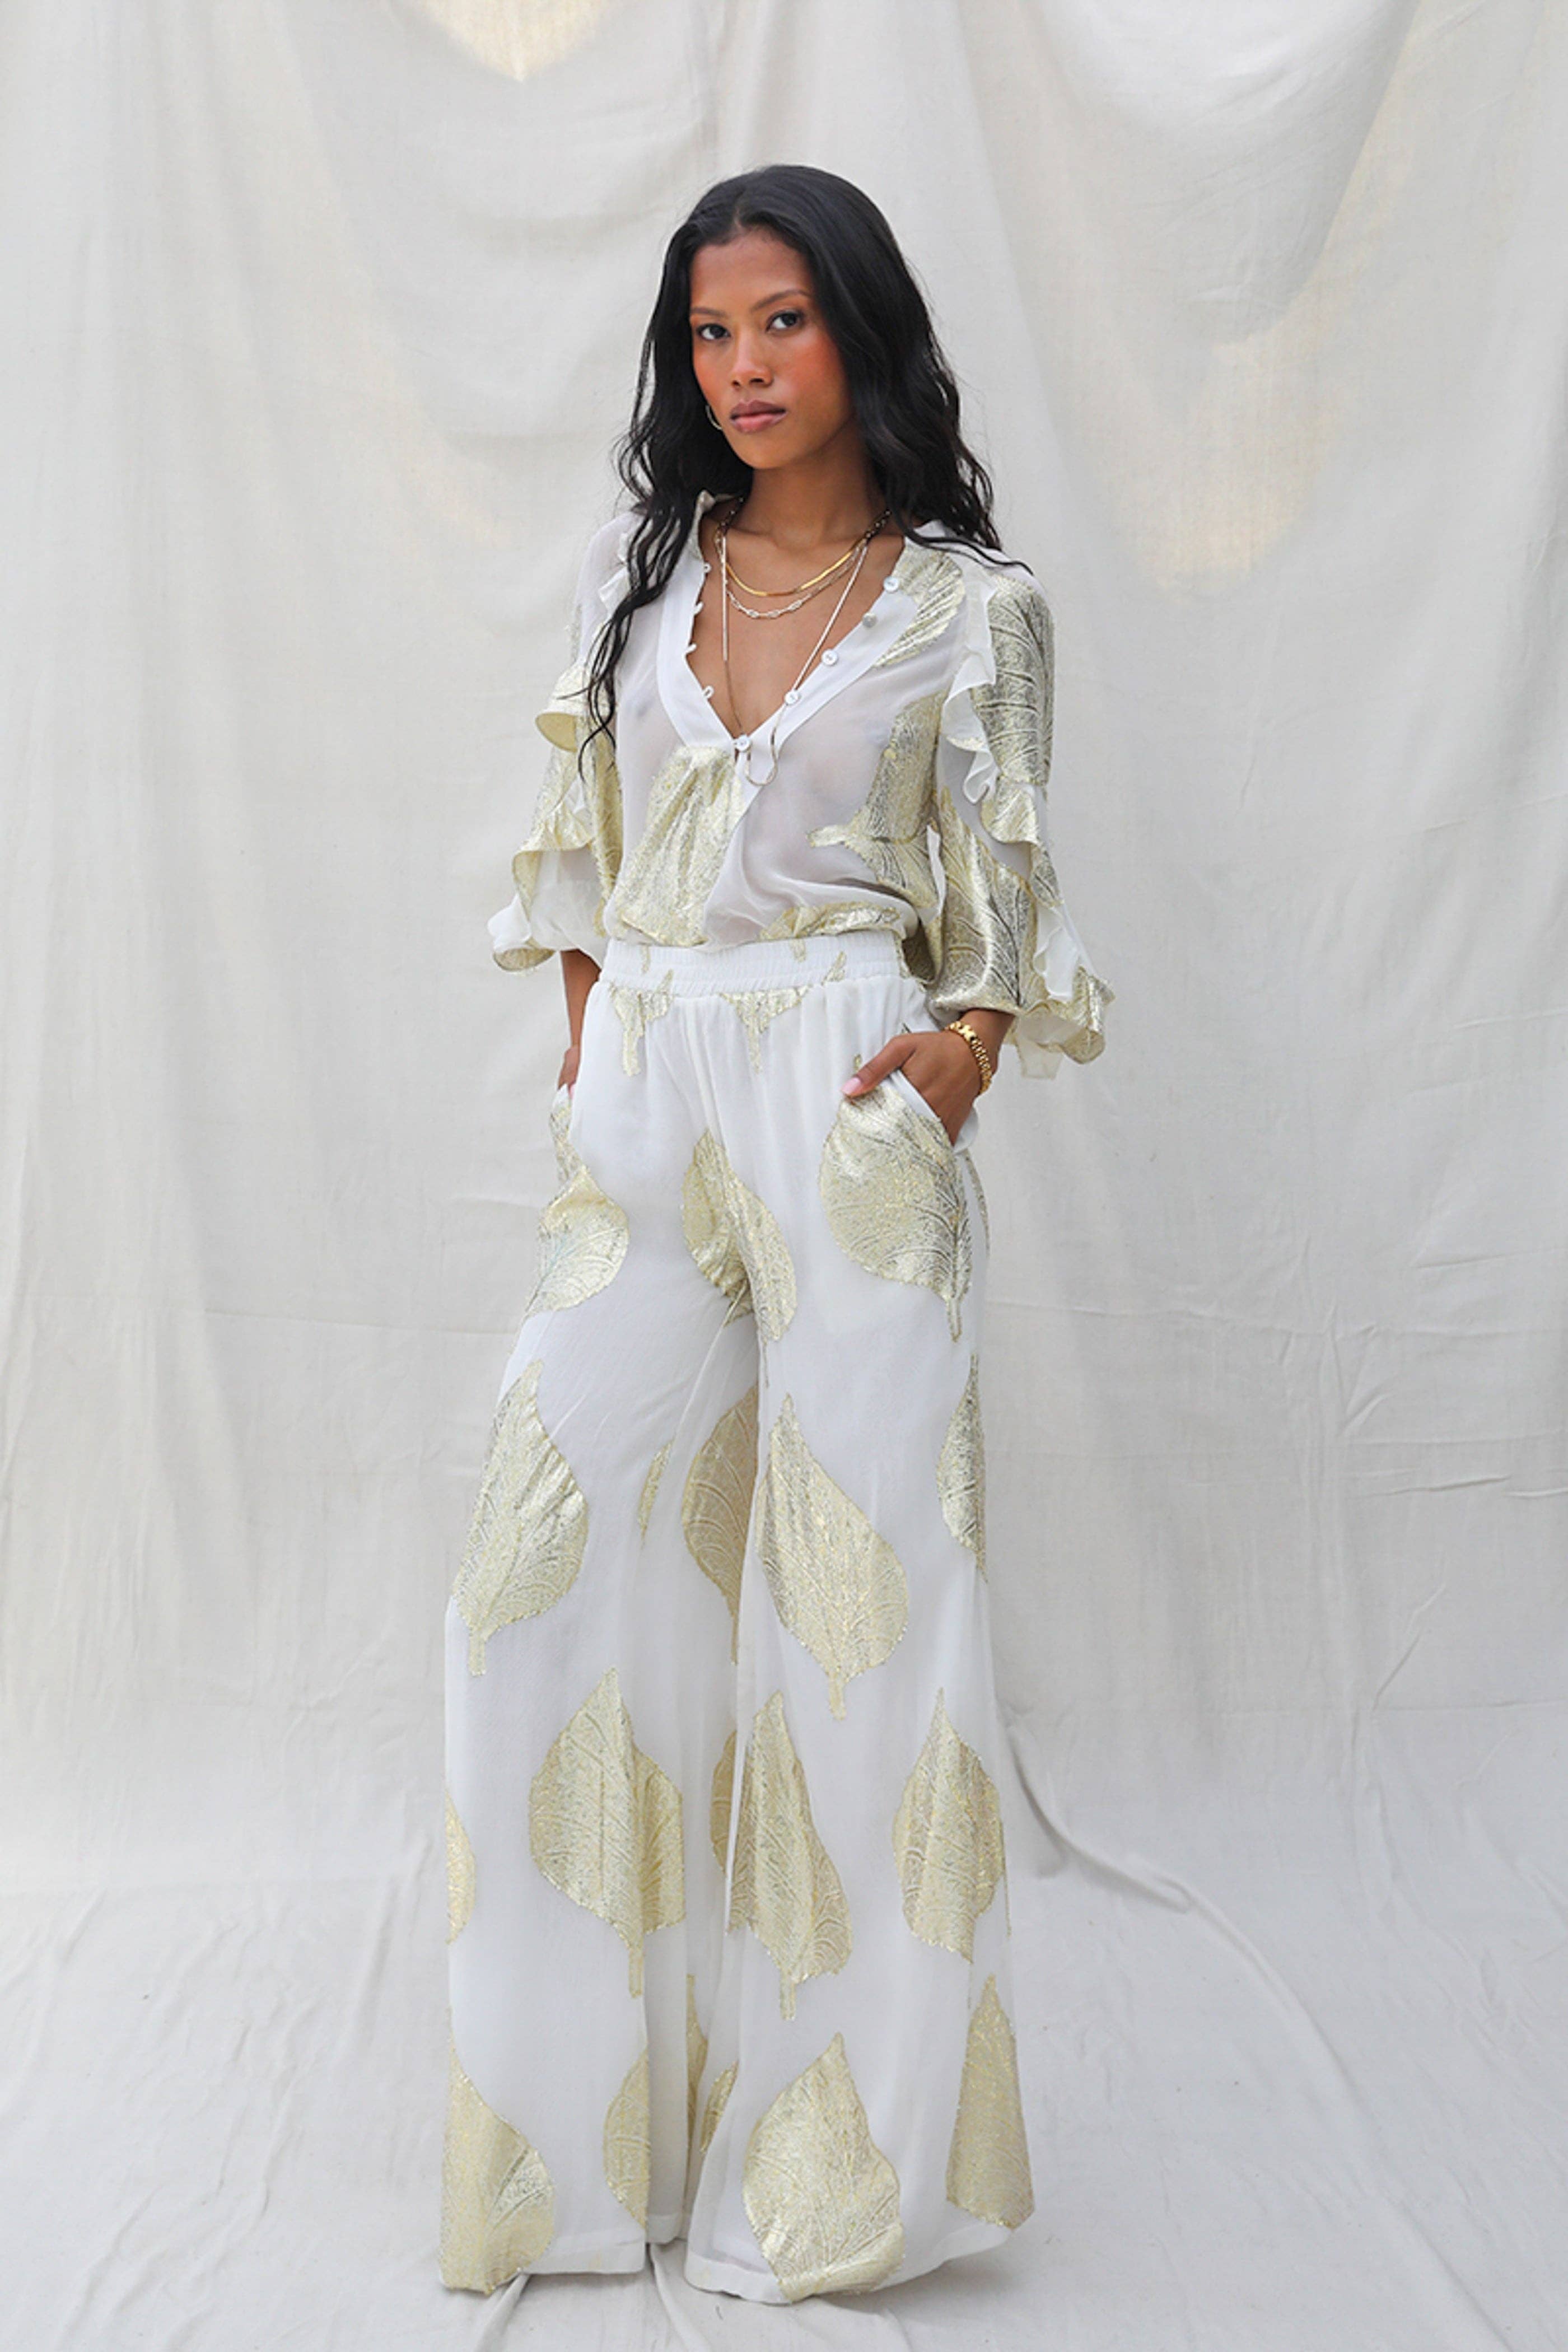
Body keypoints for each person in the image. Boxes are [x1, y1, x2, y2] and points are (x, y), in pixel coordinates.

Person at [440, 162, 1110, 2307]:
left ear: (861, 332)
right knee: (530, 1594)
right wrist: (598, 1063)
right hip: (648, 1107)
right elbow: (578, 848)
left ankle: (837, 2185)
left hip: (846, 1109)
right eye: (711, 333)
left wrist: (955, 1060)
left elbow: (1001, 908)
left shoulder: (971, 609)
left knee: (863, 1635)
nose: (741, 368)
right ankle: (573, 2159)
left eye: (784, 323)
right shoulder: (641, 580)